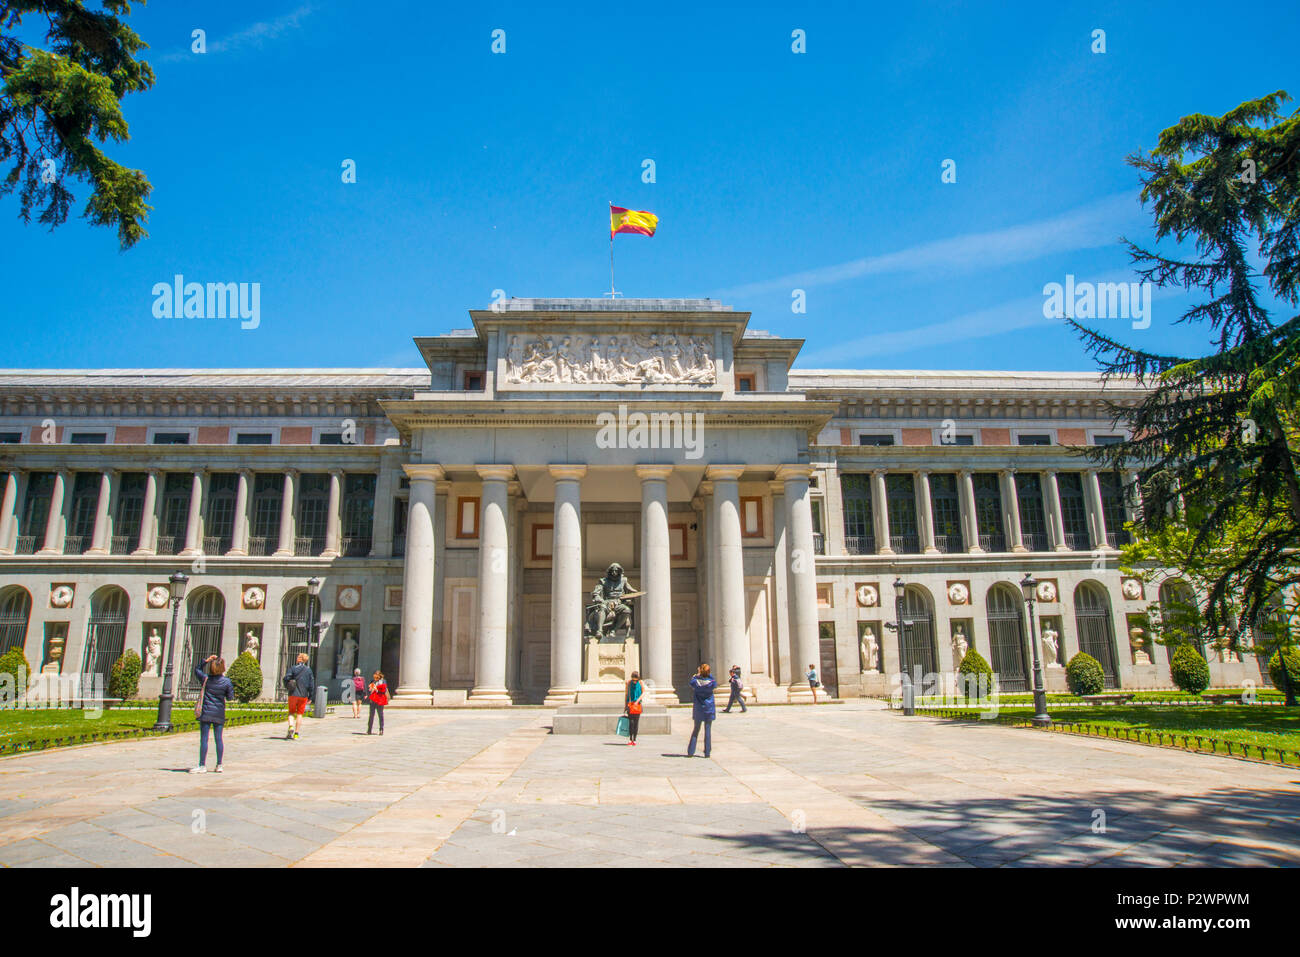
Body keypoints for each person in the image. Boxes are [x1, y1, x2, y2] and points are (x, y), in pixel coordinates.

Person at [190, 654, 234, 774]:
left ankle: (202, 765)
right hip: (219, 712)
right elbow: (230, 697)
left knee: (204, 739)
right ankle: (219, 764)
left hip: (206, 712)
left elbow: (196, 670)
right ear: (223, 668)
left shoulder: (206, 679)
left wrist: (206, 660)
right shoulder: (227, 682)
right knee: (218, 739)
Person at [283, 652, 315, 740]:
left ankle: (291, 726)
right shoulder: (309, 670)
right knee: (300, 714)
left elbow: (286, 678)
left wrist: (287, 685)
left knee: (291, 712)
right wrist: (311, 696)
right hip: (303, 695)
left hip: (293, 694)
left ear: (299, 659)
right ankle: (296, 733)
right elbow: (311, 684)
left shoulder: (293, 668)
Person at [687, 664, 717, 758]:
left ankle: (691, 751)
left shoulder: (695, 682)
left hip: (698, 708)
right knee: (707, 730)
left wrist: (697, 674)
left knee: (696, 730)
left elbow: (691, 682)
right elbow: (713, 681)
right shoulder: (711, 682)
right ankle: (707, 752)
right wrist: (707, 674)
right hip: (709, 708)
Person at [624, 670, 644, 745]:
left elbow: (643, 693)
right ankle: (630, 739)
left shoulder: (641, 683)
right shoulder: (628, 683)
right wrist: (625, 706)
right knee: (631, 723)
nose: (634, 682)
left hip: (637, 704)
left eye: (636, 680)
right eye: (633, 680)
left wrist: (638, 700)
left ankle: (634, 740)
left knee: (636, 723)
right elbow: (626, 695)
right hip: (630, 705)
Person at [367, 670, 389, 735]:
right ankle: (369, 729)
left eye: (376, 676)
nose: (375, 677)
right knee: (371, 715)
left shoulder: (383, 681)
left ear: (379, 676)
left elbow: (384, 690)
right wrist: (370, 689)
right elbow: (369, 690)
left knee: (380, 715)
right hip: (373, 700)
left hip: (379, 700)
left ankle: (381, 729)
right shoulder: (372, 681)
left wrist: (377, 689)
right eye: (374, 676)